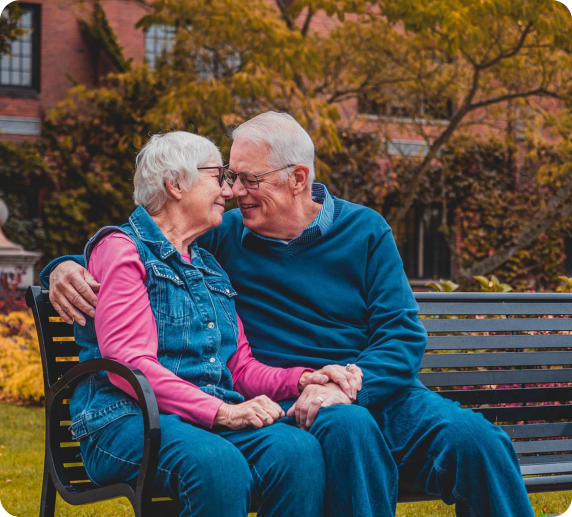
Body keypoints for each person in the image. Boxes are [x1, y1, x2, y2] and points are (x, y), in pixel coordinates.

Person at [43, 112, 535, 517]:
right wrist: (62, 266)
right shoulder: (224, 237)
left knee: (478, 443)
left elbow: (402, 334)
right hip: (293, 399)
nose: (234, 191)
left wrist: (346, 382)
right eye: (229, 177)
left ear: (299, 178)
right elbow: (147, 242)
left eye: (248, 179)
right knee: (348, 430)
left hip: (370, 385)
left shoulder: (365, 230)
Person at [61, 130, 365, 517]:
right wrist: (222, 413)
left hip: (201, 420)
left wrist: (304, 378)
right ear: (174, 184)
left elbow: (239, 366)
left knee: (298, 452)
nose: (230, 190)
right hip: (127, 420)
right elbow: (129, 368)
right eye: (217, 176)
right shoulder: (122, 251)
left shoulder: (209, 267)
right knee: (217, 465)